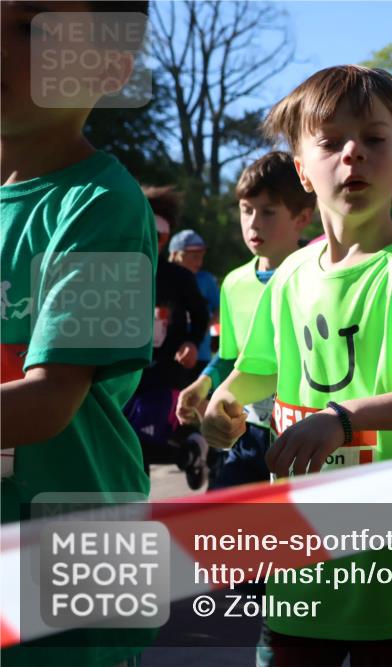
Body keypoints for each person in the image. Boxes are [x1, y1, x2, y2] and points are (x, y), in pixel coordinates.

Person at [200, 65, 392, 667]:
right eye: (330, 142)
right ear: (303, 169)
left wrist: (342, 418)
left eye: (374, 140)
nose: (352, 153)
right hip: (299, 567)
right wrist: (221, 404)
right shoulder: (291, 275)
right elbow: (258, 371)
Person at [0, 3, 158, 666]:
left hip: (69, 574)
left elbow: (47, 401)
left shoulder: (102, 205)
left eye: (32, 29)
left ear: (109, 68)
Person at [176, 151, 315, 493]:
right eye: (246, 210)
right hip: (247, 434)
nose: (253, 223)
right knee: (221, 530)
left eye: (268, 212)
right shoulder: (234, 283)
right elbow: (232, 357)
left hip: (305, 434)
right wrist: (203, 384)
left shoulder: (320, 276)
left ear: (302, 217)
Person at [125, 187, 209, 486]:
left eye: (159, 235)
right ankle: (137, 504)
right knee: (128, 443)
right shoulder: (116, 270)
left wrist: (191, 342)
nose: (151, 241)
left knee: (148, 435)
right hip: (124, 371)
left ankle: (190, 450)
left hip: (166, 368)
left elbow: (200, 315)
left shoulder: (178, 277)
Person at [168, 229, 221, 371]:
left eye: (201, 256)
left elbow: (221, 310)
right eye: (193, 256)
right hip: (165, 356)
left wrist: (200, 330)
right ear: (174, 254)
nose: (199, 261)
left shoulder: (206, 280)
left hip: (200, 355)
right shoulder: (162, 279)